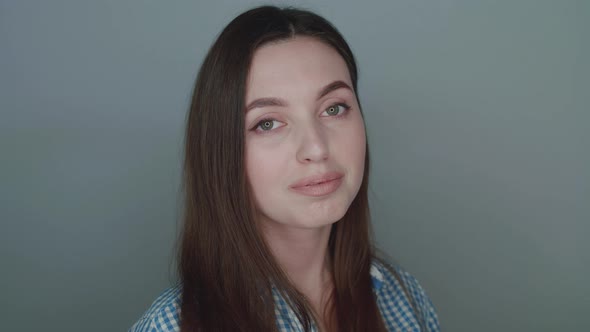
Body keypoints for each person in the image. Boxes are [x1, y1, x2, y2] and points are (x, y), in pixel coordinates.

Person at [129, 5, 440, 332]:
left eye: (334, 108)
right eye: (268, 124)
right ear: (221, 153)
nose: (317, 149)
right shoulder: (172, 326)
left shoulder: (403, 297)